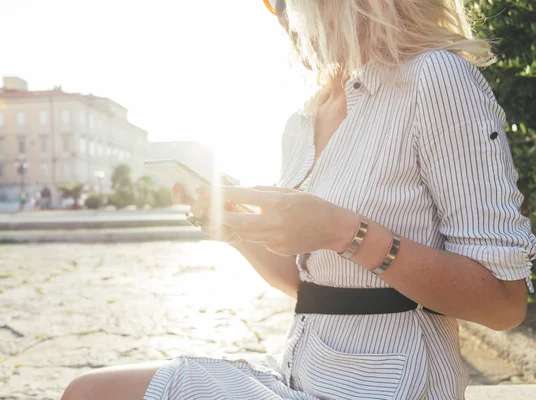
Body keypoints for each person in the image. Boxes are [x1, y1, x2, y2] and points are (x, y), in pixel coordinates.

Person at [61, 1, 536, 399]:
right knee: (90, 392)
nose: (282, 17)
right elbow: (310, 284)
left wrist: (344, 231)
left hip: (385, 386)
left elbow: (502, 304)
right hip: (295, 373)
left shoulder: (436, 79)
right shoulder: (306, 116)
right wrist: (231, 223)